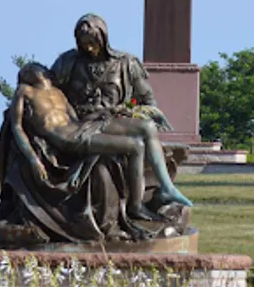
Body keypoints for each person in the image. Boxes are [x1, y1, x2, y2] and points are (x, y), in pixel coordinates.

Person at [11, 63, 192, 219]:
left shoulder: (58, 93)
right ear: (26, 75)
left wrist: (108, 113)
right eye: (31, 67)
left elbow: (76, 120)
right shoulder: (25, 91)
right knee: (136, 146)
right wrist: (34, 160)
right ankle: (136, 206)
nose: (38, 67)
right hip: (69, 138)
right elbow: (16, 127)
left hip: (82, 128)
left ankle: (166, 188)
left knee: (146, 126)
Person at [51, 13, 173, 130]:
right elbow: (47, 89)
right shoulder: (67, 62)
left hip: (115, 126)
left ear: (103, 39)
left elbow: (147, 101)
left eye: (92, 43)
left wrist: (127, 110)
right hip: (76, 127)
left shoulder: (127, 64)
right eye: (84, 44)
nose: (89, 48)